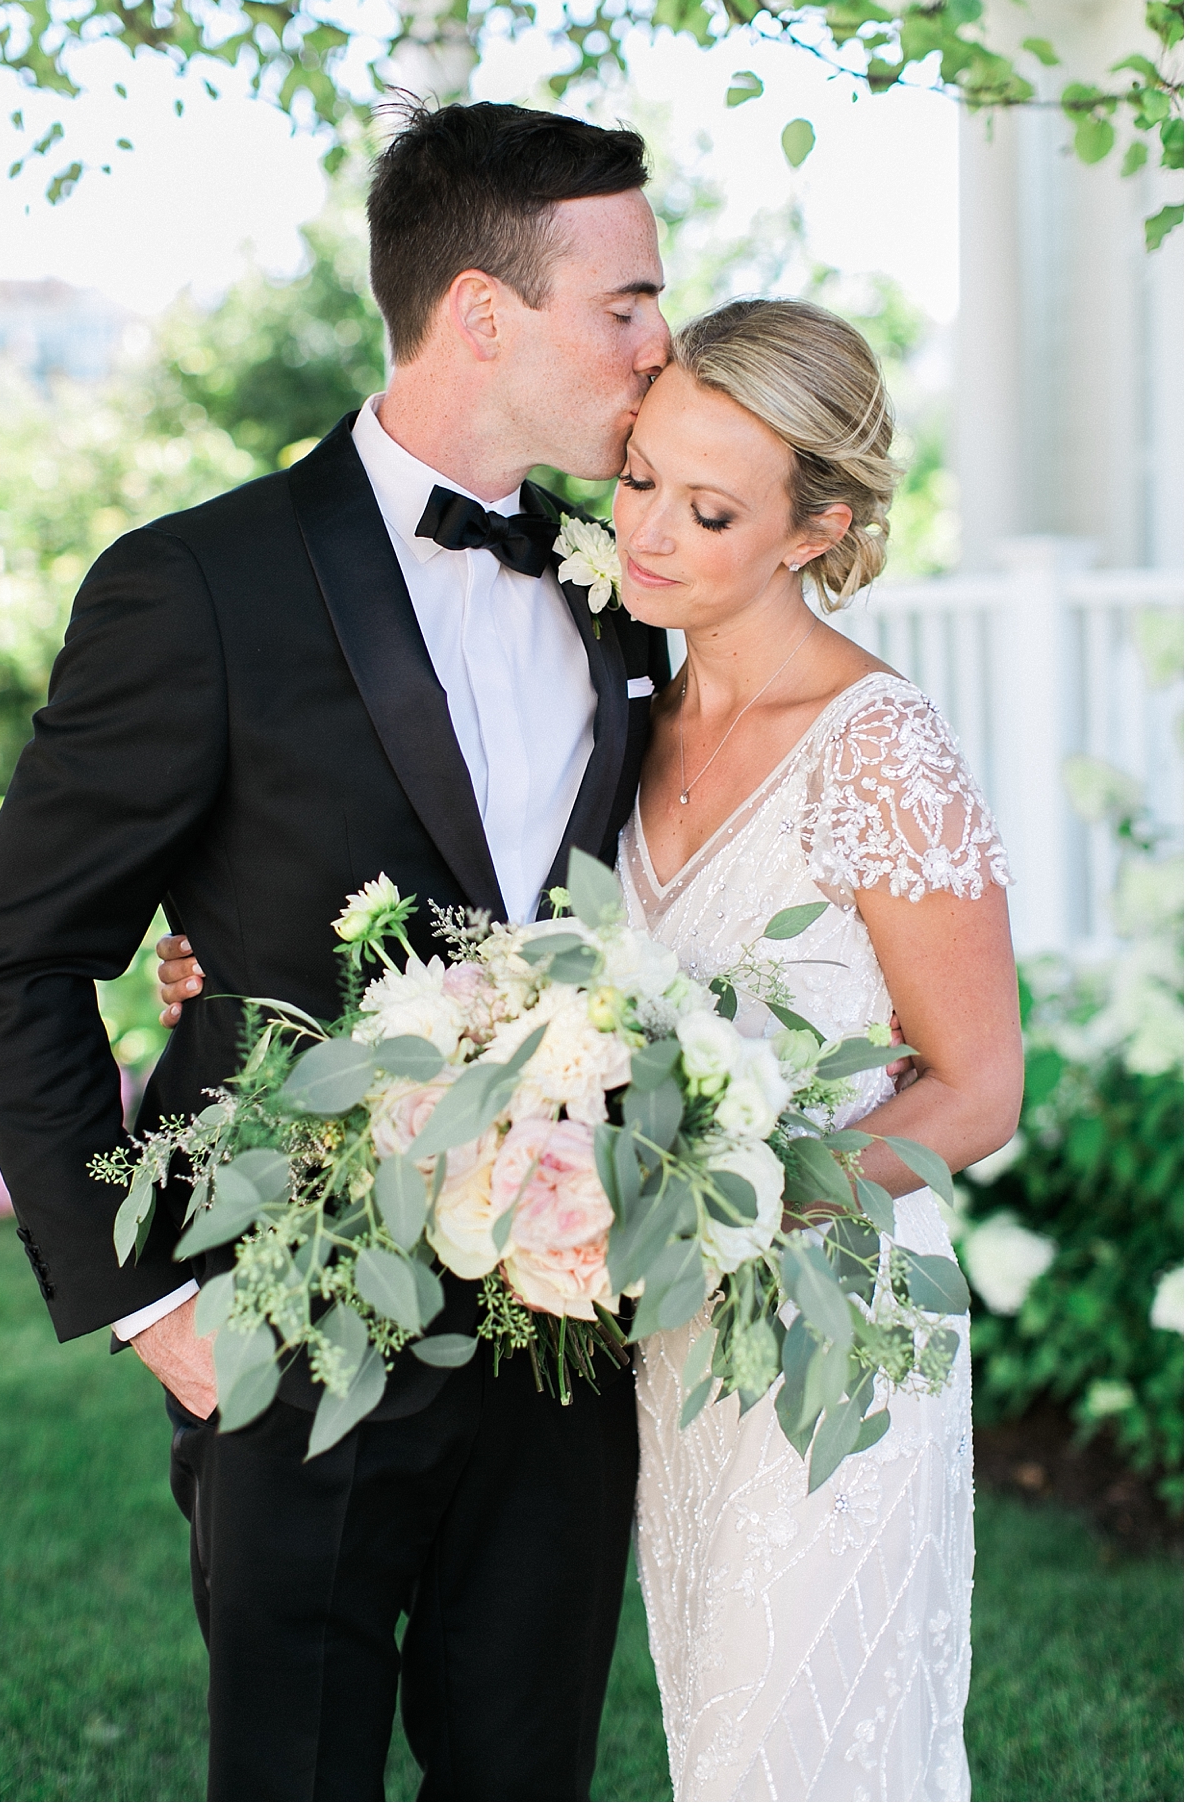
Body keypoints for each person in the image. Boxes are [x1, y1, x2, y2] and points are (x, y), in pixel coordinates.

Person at [163, 298, 1024, 1803]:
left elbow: (980, 1081)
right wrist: (236, 959)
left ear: (815, 528)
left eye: (711, 509)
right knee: (714, 1733)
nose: (650, 533)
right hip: (662, 1340)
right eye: (639, 482)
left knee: (809, 1740)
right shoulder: (627, 698)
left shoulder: (878, 744)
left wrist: (734, 1210)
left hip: (828, 1326)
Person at [0, 101, 672, 1803]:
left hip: (570, 1336)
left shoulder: (629, 587)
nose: (661, 342)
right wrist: (155, 1308)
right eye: (627, 302)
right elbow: (21, 960)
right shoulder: (196, 585)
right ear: (488, 312)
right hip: (294, 1325)